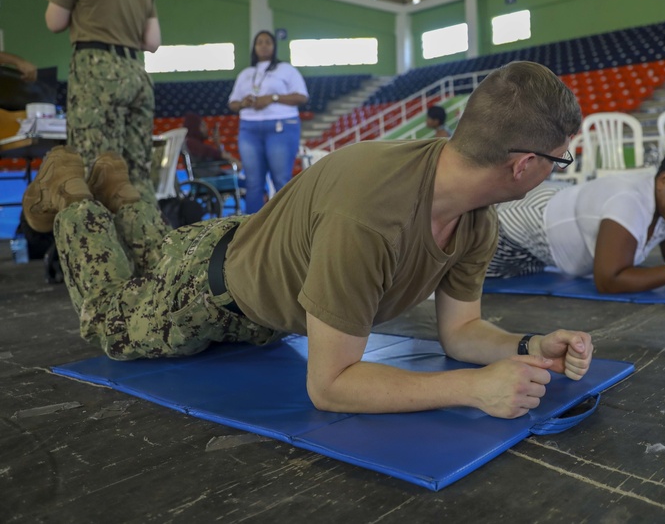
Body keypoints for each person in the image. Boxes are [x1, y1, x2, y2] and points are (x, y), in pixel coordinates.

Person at [25, 61, 592, 419]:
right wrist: (472, 392)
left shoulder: (475, 216)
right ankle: (74, 192)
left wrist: (525, 347)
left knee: (155, 257)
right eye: (560, 159)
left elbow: (462, 332)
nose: (559, 169)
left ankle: (121, 195)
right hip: (208, 293)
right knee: (110, 321)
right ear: (522, 165)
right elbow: (332, 386)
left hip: (244, 252)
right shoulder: (372, 216)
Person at [487, 135, 665, 293]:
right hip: (516, 223)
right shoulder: (628, 201)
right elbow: (609, 280)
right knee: (471, 276)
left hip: (545, 236)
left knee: (526, 276)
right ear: (663, 181)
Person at [44, 0, 161, 207]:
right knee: (136, 173)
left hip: (96, 68)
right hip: (136, 70)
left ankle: (99, 252)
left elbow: (55, 22)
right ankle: (150, 249)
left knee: (95, 169)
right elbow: (152, 42)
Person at [227, 31, 308, 213]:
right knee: (253, 182)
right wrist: (243, 103)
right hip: (249, 129)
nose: (263, 45)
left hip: (280, 126)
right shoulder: (246, 74)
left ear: (274, 46)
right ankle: (253, 230)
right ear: (254, 47)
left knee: (281, 180)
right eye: (259, 42)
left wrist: (273, 97)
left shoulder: (286, 69)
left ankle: (286, 227)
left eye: (268, 42)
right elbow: (232, 103)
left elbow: (302, 97)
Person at [182, 112, 240, 177]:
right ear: (195, 127)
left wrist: (218, 143)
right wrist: (233, 159)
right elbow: (215, 154)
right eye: (203, 126)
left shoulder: (194, 143)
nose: (207, 128)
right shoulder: (192, 143)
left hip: (212, 176)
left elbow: (218, 157)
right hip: (210, 178)